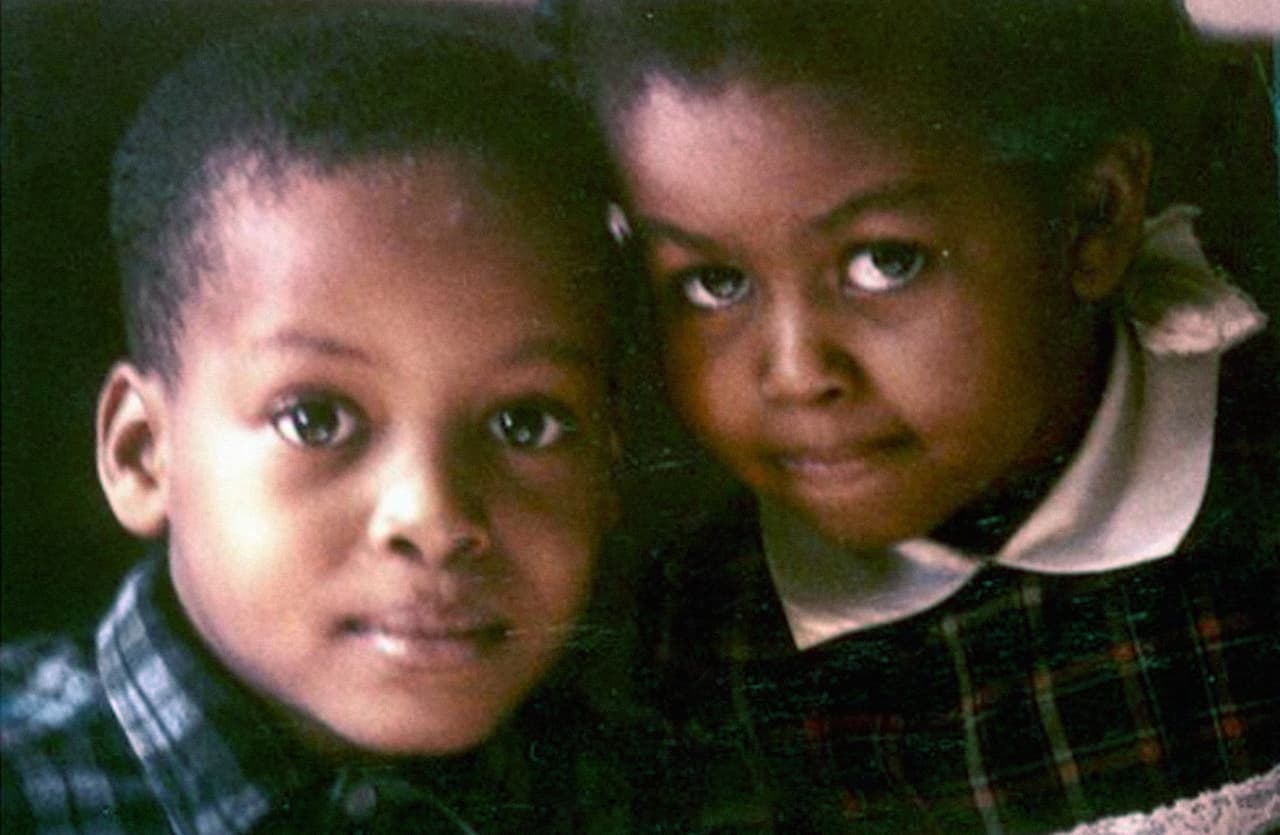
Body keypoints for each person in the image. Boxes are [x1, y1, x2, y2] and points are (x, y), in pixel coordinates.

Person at [540, 1, 1280, 832]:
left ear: (1091, 220)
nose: (796, 375)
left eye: (884, 262)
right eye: (713, 284)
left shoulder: (1258, 477)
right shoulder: (702, 633)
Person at [1, 13, 632, 833]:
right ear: (143, 452)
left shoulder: (637, 783)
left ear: (613, 464)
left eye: (526, 422)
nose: (435, 518)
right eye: (316, 417)